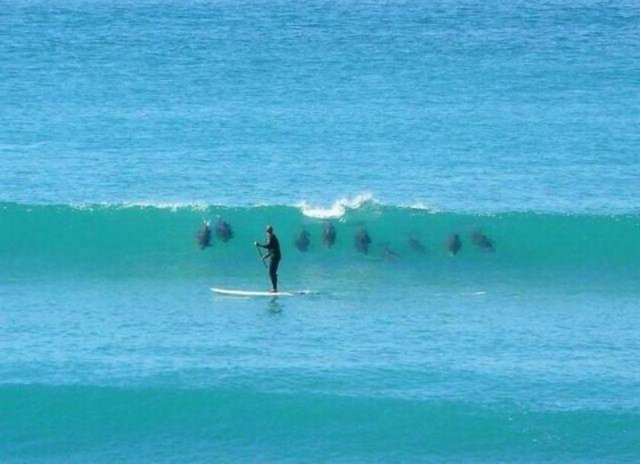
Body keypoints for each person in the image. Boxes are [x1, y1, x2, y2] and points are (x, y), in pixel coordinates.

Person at [254, 225, 282, 292]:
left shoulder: (271, 236)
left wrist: (259, 245)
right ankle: (275, 288)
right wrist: (265, 256)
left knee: (271, 272)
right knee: (273, 272)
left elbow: (269, 245)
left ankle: (274, 289)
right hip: (276, 256)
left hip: (275, 256)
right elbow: (271, 250)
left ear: (267, 231)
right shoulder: (273, 237)